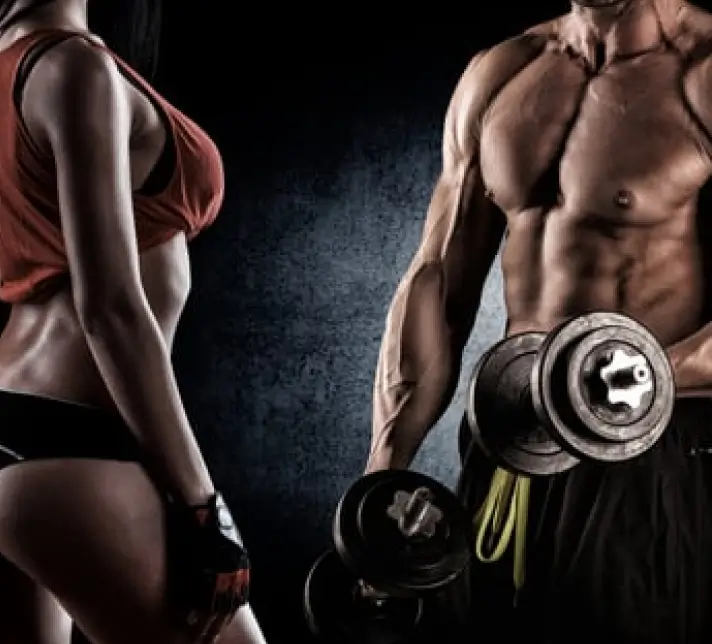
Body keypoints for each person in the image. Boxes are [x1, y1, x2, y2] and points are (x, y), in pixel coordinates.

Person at [365, 0, 712, 642]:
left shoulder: (700, 71)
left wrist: (637, 380)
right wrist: (384, 470)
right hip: (505, 443)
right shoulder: (504, 70)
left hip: (647, 457)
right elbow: (437, 280)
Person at [0, 1, 267, 643]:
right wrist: (206, 511)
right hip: (70, 436)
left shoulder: (15, 63)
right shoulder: (72, 68)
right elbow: (112, 310)